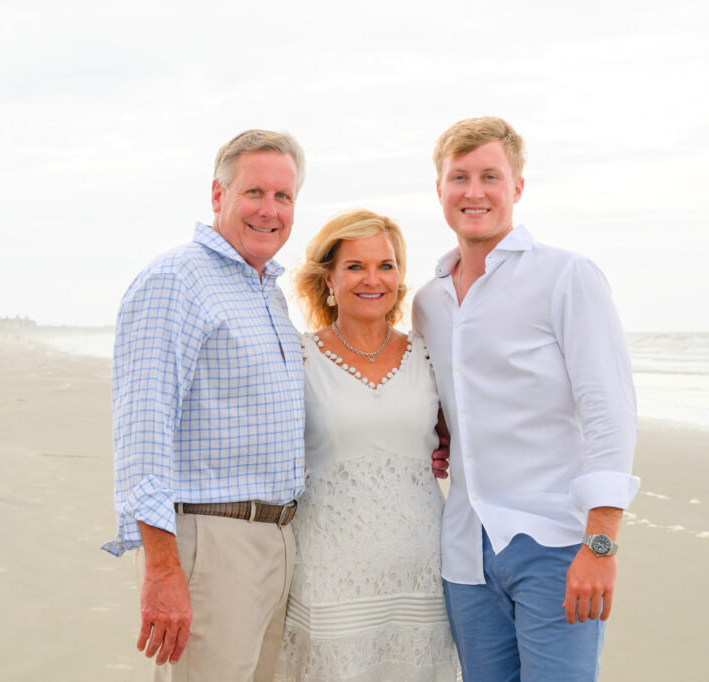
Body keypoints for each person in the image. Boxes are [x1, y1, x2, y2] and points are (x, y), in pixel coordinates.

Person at [412, 116, 640, 681]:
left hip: (556, 543)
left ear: (517, 187)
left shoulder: (566, 276)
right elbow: (450, 405)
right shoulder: (428, 302)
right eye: (458, 177)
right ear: (438, 189)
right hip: (464, 550)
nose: (474, 191)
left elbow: (609, 411)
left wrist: (602, 543)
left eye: (490, 176)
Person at [102, 129, 308, 681]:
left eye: (283, 197)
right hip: (212, 546)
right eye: (254, 193)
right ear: (218, 196)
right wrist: (163, 570)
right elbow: (143, 433)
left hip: (280, 540)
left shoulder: (267, 292)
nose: (269, 210)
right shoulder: (176, 281)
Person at [273, 209, 458, 681]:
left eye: (386, 265)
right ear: (329, 279)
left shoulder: (430, 352)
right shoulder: (296, 356)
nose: (372, 279)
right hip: (330, 569)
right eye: (355, 266)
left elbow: (467, 431)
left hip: (421, 567)